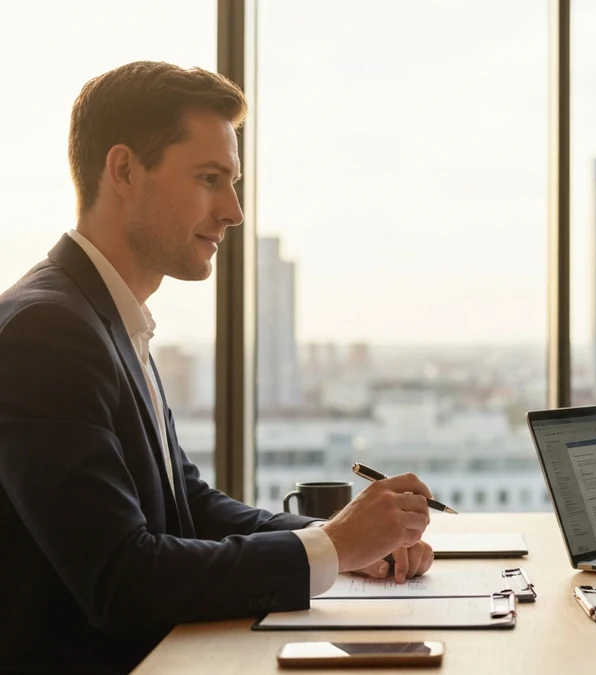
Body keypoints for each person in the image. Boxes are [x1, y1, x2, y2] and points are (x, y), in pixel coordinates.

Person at [0, 62, 436, 674]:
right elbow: (120, 578)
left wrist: (347, 540)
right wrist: (333, 546)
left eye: (233, 183)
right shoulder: (47, 331)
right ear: (124, 171)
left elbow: (189, 507)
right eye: (210, 179)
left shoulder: (105, 316)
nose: (234, 211)